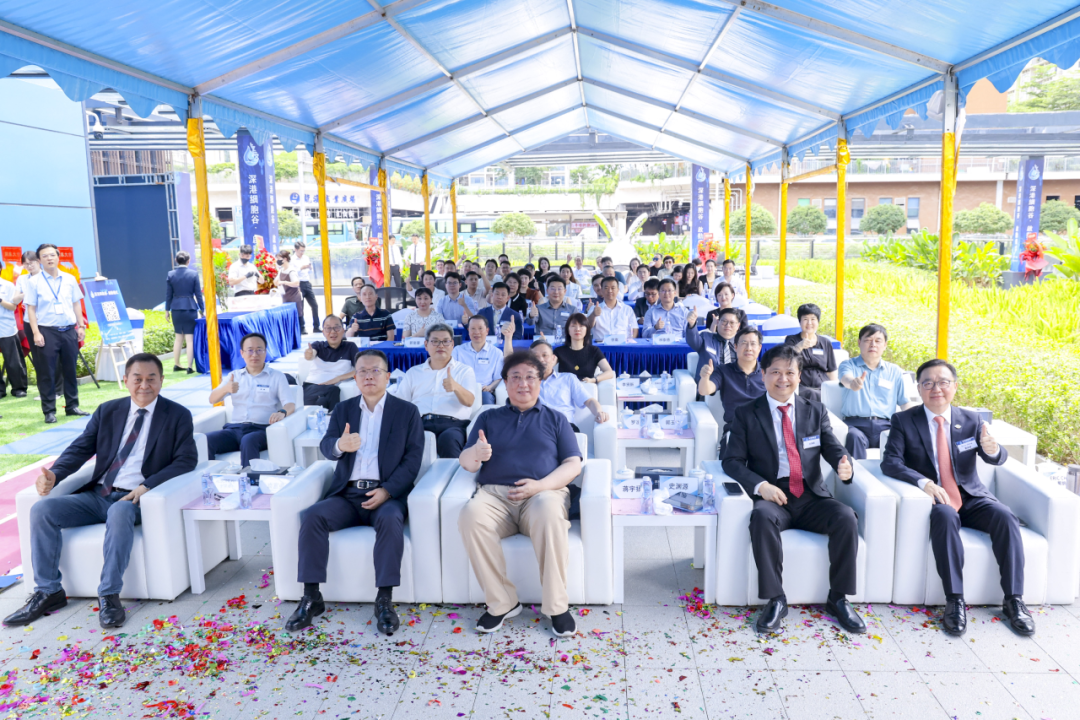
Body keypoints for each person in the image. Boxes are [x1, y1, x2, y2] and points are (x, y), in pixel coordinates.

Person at [3, 354, 197, 629]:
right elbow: (81, 448)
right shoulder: (108, 411)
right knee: (42, 510)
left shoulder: (177, 415)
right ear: (126, 380)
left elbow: (186, 459)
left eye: (151, 378)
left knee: (119, 511)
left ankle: (109, 595)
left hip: (135, 499)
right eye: (137, 379)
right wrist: (56, 474)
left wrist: (147, 486)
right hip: (98, 495)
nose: (144, 385)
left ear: (162, 380)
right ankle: (48, 592)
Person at [881, 359, 1032, 637]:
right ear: (919, 388)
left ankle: (1014, 600)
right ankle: (954, 600)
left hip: (971, 496)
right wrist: (924, 482)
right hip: (937, 498)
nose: (936, 389)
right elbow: (890, 462)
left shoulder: (972, 420)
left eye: (943, 382)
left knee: (1005, 516)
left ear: (954, 386)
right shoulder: (904, 420)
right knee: (945, 515)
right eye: (928, 383)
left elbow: (995, 458)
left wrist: (993, 449)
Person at [722, 344, 860, 635]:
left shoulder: (815, 410)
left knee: (846, 517)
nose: (782, 379)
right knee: (761, 518)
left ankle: (838, 598)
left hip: (810, 494)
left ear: (799, 376)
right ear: (763, 375)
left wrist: (844, 464)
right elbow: (731, 461)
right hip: (773, 493)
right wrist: (761, 486)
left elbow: (832, 448)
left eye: (789, 373)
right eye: (775, 372)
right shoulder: (746, 413)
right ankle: (776, 599)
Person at [286, 349, 424, 635]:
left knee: (391, 520)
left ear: (387, 376)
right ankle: (311, 597)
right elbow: (326, 446)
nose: (369, 376)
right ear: (355, 377)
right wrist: (340, 445)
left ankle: (384, 600)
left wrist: (387, 491)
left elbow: (413, 460)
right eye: (363, 371)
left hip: (386, 495)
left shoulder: (407, 412)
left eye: (375, 371)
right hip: (347, 495)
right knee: (312, 516)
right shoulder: (344, 409)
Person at [458, 351, 583, 637]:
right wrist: (476, 453)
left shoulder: (556, 419)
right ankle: (502, 603)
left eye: (530, 377)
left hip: (543, 494)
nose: (523, 383)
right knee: (470, 515)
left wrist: (540, 486)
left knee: (549, 512)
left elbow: (573, 464)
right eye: (515, 377)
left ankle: (557, 607)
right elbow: (466, 463)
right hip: (495, 496)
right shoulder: (488, 417)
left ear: (540, 381)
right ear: (505, 382)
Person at [206, 333, 296, 467]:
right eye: (250, 350)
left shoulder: (277, 376)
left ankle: (250, 479)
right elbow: (212, 399)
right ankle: (209, 477)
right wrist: (225, 389)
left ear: (265, 352)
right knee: (206, 440)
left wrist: (282, 412)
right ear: (242, 353)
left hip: (261, 430)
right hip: (234, 430)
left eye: (259, 350)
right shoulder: (234, 376)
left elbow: (290, 404)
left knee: (248, 440)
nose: (254, 354)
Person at [24, 243, 88, 424]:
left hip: (68, 330)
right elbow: (31, 309)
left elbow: (76, 303)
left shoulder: (69, 279)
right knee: (47, 372)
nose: (49, 258)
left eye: (52, 255)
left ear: (58, 257)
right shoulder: (33, 282)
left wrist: (81, 326)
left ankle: (72, 406)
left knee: (70, 370)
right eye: (45, 256)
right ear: (39, 260)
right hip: (47, 331)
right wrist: (36, 333)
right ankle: (49, 411)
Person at [393, 324, 476, 458]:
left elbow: (469, 401)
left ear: (452, 344)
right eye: (435, 341)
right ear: (426, 345)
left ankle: (455, 473)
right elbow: (401, 404)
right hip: (420, 423)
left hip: (453, 424)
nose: (441, 345)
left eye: (445, 341)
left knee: (449, 440)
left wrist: (456, 387)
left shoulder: (464, 371)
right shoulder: (413, 372)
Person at [838, 324, 916, 459]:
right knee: (854, 437)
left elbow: (904, 403)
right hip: (856, 425)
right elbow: (846, 378)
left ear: (885, 345)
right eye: (868, 340)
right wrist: (852, 383)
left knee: (903, 438)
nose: (873, 344)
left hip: (886, 425)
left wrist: (919, 418)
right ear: (859, 343)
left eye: (878, 341)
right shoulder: (848, 365)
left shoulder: (894, 371)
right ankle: (855, 472)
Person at [532, 339, 608, 431]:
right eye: (535, 357)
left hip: (564, 427)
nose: (540, 360)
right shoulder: (525, 383)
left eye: (545, 355)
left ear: (553, 358)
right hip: (537, 428)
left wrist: (599, 412)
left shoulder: (568, 378)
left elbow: (589, 401)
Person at [697, 326, 765, 427]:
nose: (749, 348)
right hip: (736, 427)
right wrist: (705, 377)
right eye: (744, 343)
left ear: (759, 348)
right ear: (735, 347)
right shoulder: (723, 370)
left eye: (753, 344)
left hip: (763, 426)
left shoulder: (768, 372)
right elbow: (704, 391)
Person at [301, 316, 360, 411]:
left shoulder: (350, 347)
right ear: (323, 332)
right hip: (312, 386)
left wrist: (338, 378)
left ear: (343, 330)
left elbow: (361, 369)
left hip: (333, 388)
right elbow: (311, 354)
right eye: (328, 328)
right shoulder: (318, 345)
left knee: (328, 397)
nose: (333, 332)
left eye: (337, 327)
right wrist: (309, 354)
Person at [784, 304, 837, 402]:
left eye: (813, 319)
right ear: (800, 321)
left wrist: (834, 390)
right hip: (800, 387)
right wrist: (799, 347)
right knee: (812, 394)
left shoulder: (825, 342)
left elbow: (831, 371)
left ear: (818, 321)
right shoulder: (791, 340)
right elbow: (785, 361)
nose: (809, 323)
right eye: (805, 319)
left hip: (822, 386)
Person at [165, 251, 205, 374]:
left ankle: (177, 364)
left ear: (176, 260)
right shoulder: (193, 274)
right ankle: (189, 367)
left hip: (176, 308)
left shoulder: (171, 274)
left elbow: (168, 295)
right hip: (190, 308)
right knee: (189, 339)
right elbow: (198, 294)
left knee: (178, 338)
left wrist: (167, 310)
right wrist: (202, 309)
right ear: (188, 261)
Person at [452, 316, 506, 404]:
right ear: (468, 331)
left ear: (487, 331)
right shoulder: (458, 350)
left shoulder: (496, 353)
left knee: (486, 401)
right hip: (462, 389)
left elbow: (499, 378)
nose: (476, 332)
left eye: (480, 328)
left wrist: (490, 387)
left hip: (484, 391)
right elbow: (452, 373)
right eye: (473, 329)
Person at [554, 313, 614, 384]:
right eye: (573, 326)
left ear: (587, 330)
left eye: (581, 326)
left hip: (587, 386)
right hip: (565, 387)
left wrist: (593, 380)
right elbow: (547, 368)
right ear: (568, 330)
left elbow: (609, 372)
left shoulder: (594, 351)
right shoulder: (559, 351)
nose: (577, 329)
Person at [0, 259, 29, 399]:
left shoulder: (8, 286)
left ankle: (19, 388)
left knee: (13, 360)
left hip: (6, 327)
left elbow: (13, 307)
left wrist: (0, 300)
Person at [685, 305, 739, 370]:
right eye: (724, 321)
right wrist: (692, 324)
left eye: (732, 322)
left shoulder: (742, 343)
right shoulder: (706, 338)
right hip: (709, 375)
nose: (728, 325)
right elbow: (692, 340)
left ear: (738, 326)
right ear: (718, 322)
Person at [587, 276, 637, 342]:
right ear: (601, 290)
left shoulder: (627, 309)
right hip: (601, 346)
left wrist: (630, 343)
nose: (610, 291)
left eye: (613, 288)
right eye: (606, 288)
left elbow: (634, 329)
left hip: (622, 345)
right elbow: (587, 326)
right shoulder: (594, 309)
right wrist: (593, 315)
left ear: (618, 290)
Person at [293, 241, 320, 334]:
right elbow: (292, 273)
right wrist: (301, 268)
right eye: (301, 251)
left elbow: (310, 271)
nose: (302, 252)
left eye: (303, 250)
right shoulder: (292, 260)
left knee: (314, 305)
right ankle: (302, 328)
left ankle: (316, 326)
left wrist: (309, 268)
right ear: (295, 249)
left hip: (307, 283)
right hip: (298, 284)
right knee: (301, 307)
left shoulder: (306, 258)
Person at [275, 249, 303, 332]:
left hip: (294, 298)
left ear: (285, 259)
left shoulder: (291, 270)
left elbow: (297, 283)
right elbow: (276, 280)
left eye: (279, 259)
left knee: (296, 319)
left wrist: (284, 282)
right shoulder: (281, 270)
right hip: (286, 298)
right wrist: (276, 282)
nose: (277, 261)